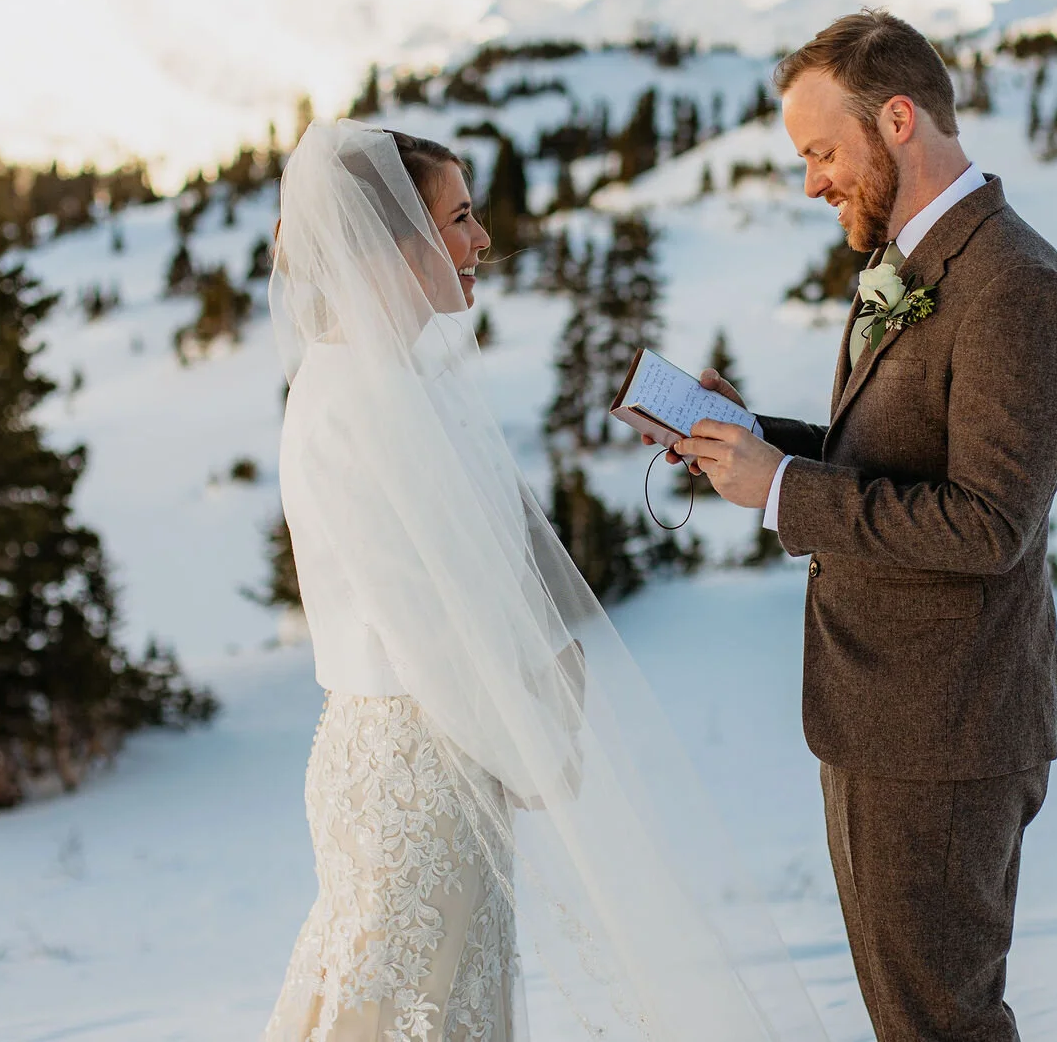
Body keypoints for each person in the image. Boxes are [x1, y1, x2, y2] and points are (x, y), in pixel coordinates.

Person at [263, 120, 826, 1041]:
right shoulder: (364, 396)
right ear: (394, 246)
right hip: (419, 761)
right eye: (459, 218)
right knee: (405, 1002)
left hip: (434, 753)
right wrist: (529, 742)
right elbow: (424, 624)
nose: (481, 240)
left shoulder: (383, 380)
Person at [669, 10, 1057, 1041]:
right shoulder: (916, 259)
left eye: (820, 151)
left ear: (896, 119)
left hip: (944, 731)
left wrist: (780, 492)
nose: (811, 180)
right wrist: (747, 439)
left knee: (938, 1025)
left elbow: (984, 523)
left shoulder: (1013, 288)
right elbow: (892, 462)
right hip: (884, 718)